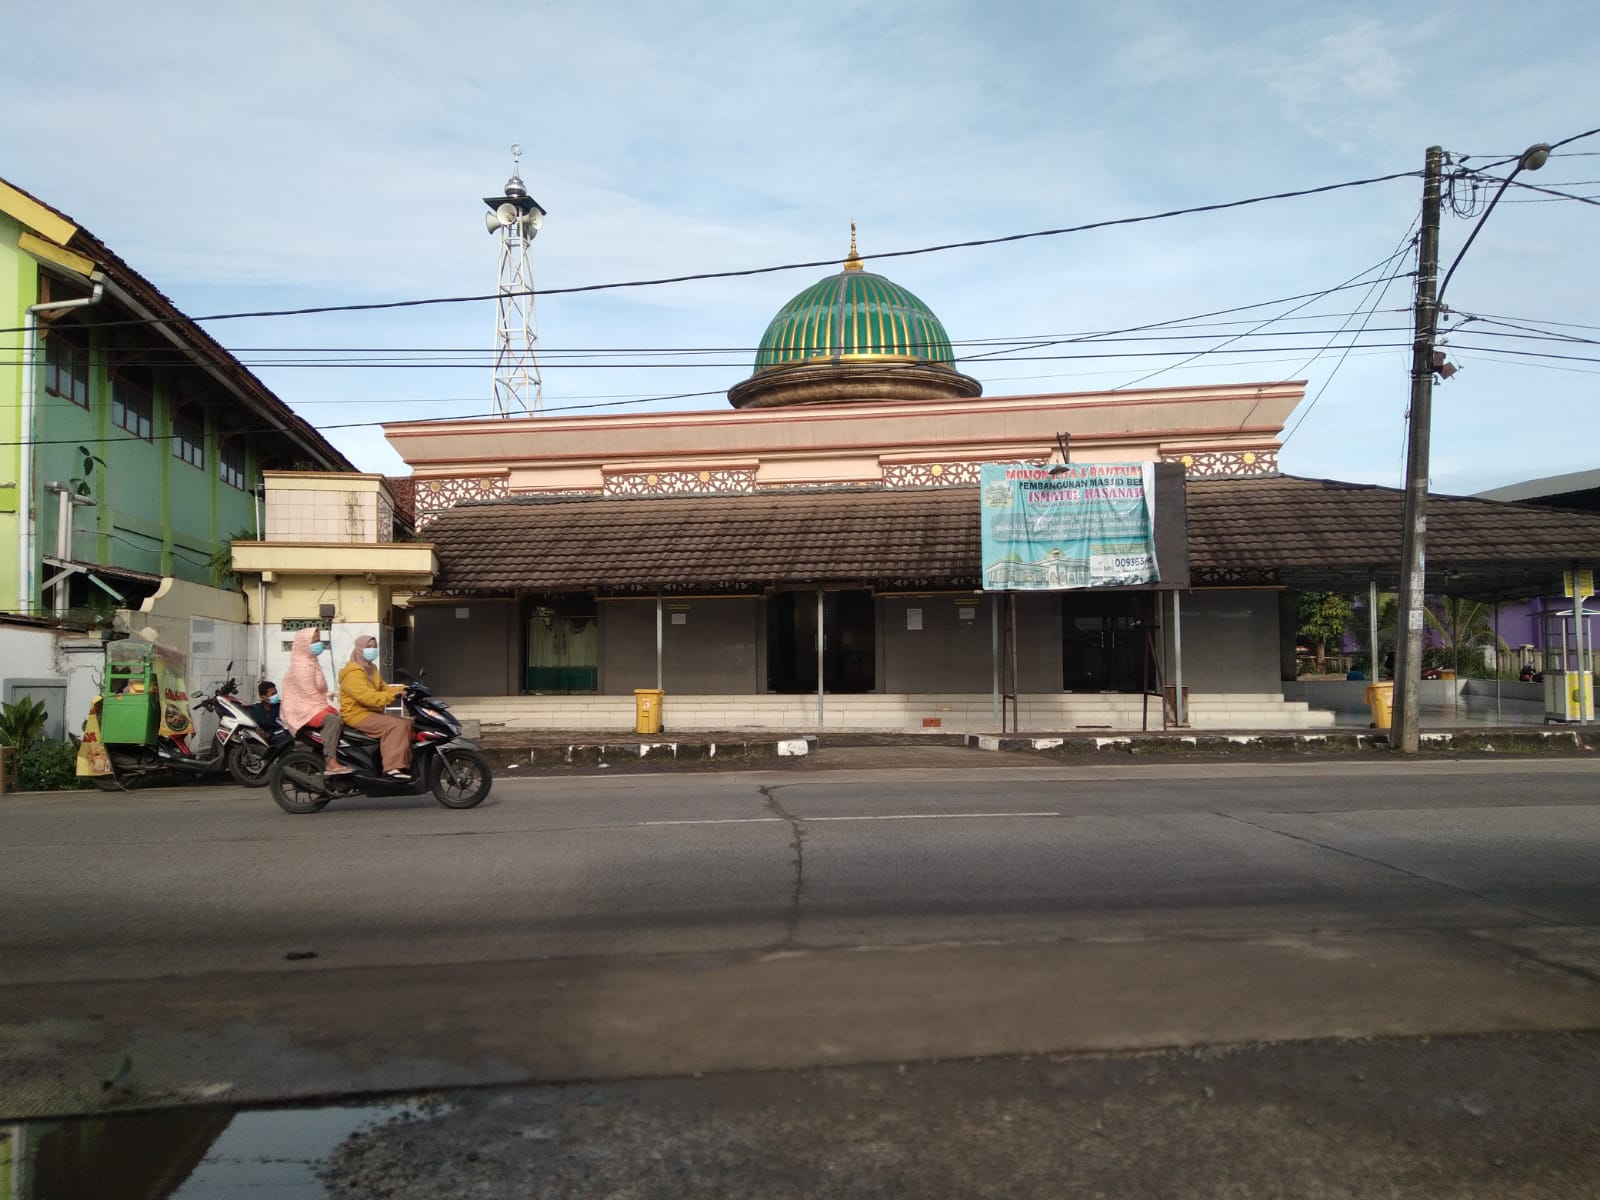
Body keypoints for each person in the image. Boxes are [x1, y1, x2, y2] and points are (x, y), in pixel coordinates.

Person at [278, 628, 351, 775]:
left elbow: (319, 690)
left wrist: (329, 696)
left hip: (313, 706)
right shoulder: (301, 666)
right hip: (301, 710)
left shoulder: (312, 662)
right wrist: (328, 708)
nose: (319, 644)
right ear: (304, 644)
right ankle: (331, 762)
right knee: (332, 721)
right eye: (314, 641)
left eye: (319, 640)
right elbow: (309, 693)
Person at [339, 635, 412, 778]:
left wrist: (405, 689)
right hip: (356, 714)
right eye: (368, 647)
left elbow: (383, 688)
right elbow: (368, 697)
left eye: (374, 647)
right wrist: (394, 696)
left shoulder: (371, 669)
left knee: (408, 723)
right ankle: (392, 768)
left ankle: (405, 763)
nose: (372, 650)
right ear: (359, 649)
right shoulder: (353, 673)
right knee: (396, 725)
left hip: (371, 712)